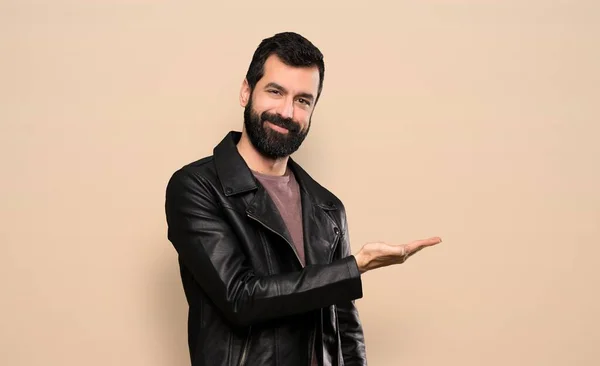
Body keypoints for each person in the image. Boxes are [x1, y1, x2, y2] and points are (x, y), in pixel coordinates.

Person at [164, 31, 442, 366]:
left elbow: (346, 330)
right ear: (246, 91)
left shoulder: (327, 208)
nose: (287, 111)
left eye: (302, 100)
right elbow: (240, 298)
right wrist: (356, 267)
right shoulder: (196, 187)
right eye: (275, 92)